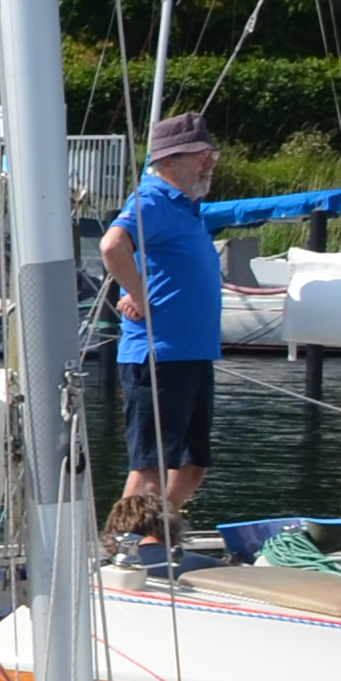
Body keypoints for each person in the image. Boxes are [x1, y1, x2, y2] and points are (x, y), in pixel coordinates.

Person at [99, 113, 226, 564]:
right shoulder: (151, 198)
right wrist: (138, 294)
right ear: (169, 160)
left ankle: (152, 542)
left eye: (210, 154)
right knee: (150, 468)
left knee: (192, 467)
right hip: (159, 357)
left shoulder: (185, 207)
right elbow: (113, 245)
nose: (209, 162)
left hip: (193, 355)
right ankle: (121, 555)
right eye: (199, 155)